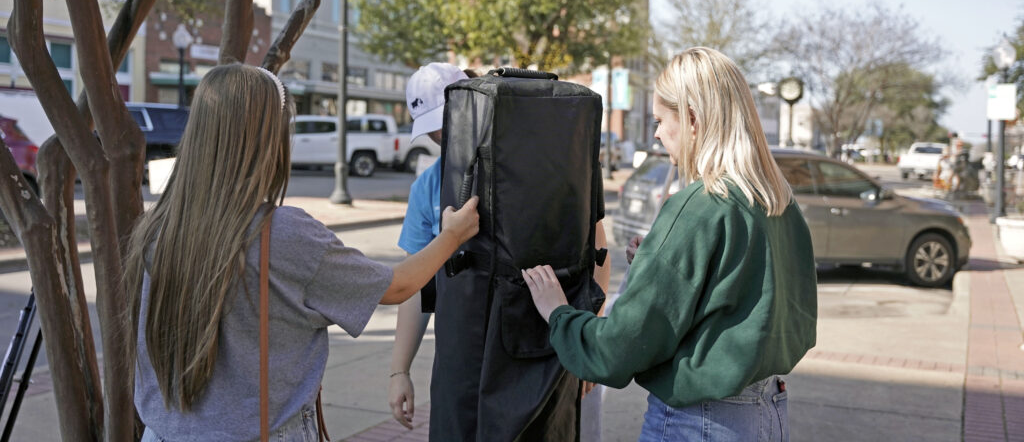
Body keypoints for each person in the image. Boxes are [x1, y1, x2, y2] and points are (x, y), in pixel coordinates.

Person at [126, 63, 479, 441]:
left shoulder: (157, 228)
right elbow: (397, 287)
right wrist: (452, 236)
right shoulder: (284, 234)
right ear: (267, 139)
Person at [523, 47, 818, 442]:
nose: (657, 133)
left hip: (702, 419)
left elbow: (620, 347)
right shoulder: (778, 201)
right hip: (767, 411)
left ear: (693, 120)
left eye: (661, 120)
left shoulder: (699, 206)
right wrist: (657, 256)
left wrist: (557, 313)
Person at [387, 63, 611, 436]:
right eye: (432, 130)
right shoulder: (428, 187)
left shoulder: (547, 172)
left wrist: (587, 342)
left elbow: (594, 253)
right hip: (468, 360)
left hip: (548, 350)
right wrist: (399, 370)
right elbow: (415, 283)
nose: (442, 136)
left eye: (446, 123)